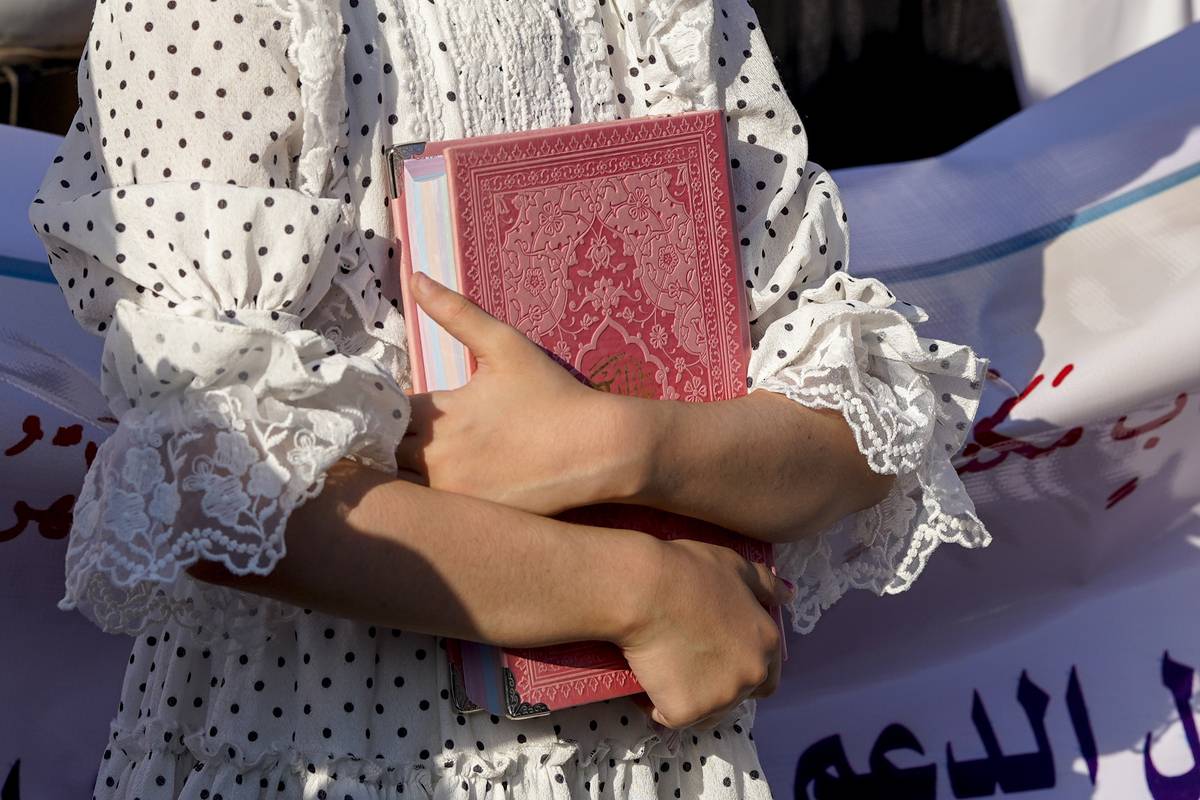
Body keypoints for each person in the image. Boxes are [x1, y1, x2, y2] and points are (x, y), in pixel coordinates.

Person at [26, 0, 991, 797]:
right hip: (333, 754)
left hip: (659, 754)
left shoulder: (677, 15)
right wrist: (641, 595)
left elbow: (859, 415)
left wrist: (628, 443)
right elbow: (201, 475)